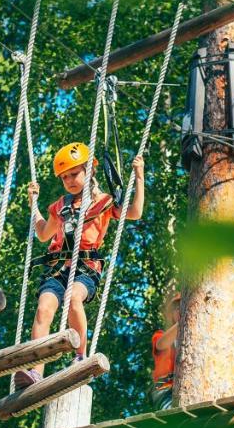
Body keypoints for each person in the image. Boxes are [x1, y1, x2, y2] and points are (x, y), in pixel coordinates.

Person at [13, 142, 143, 386]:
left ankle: (79, 356)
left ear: (89, 171)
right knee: (43, 309)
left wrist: (139, 176)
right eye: (64, 177)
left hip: (85, 268)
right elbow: (43, 234)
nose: (69, 180)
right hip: (58, 268)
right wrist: (34, 206)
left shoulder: (103, 202)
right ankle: (35, 372)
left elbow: (134, 212)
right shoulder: (60, 206)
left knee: (73, 298)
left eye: (74, 174)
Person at [149, 285, 180, 410]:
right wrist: (182, 322)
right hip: (164, 390)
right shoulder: (160, 335)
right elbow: (161, 344)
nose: (180, 310)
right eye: (177, 308)